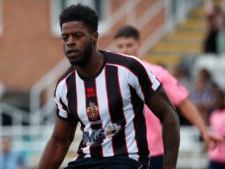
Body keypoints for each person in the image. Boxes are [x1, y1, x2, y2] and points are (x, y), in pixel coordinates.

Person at [38, 4, 180, 169]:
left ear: (94, 37)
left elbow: (169, 114)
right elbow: (59, 141)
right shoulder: (65, 86)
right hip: (87, 161)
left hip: (126, 161)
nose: (70, 42)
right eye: (65, 37)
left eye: (77, 36)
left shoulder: (128, 69)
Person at [113, 25, 223, 169]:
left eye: (129, 45)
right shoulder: (109, 77)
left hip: (153, 153)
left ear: (139, 45)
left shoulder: (156, 73)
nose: (124, 50)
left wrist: (203, 130)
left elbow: (184, 102)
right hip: (120, 153)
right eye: (120, 46)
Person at [208, 91, 225, 169]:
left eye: (220, 99)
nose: (218, 101)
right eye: (216, 99)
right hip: (214, 155)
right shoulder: (213, 115)